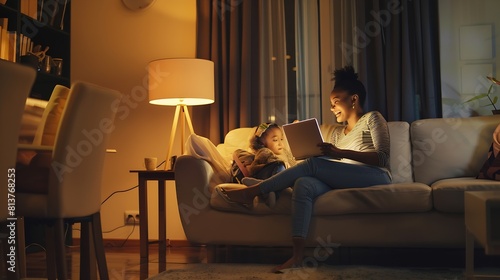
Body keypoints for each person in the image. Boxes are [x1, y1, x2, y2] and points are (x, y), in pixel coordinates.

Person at [216, 65, 392, 272]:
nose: (332, 108)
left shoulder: (373, 118)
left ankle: (254, 191)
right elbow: (333, 165)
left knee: (314, 165)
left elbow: (382, 158)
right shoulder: (336, 133)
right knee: (303, 184)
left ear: (353, 99)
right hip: (345, 177)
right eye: (330, 104)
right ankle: (298, 255)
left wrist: (338, 153)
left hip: (376, 176)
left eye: (336, 102)